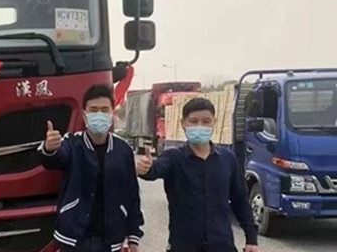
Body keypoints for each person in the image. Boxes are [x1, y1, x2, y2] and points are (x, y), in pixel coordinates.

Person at [137, 97, 261, 252]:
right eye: (193, 121)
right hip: (184, 247)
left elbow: (240, 201)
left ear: (214, 123)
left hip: (222, 245)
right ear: (183, 124)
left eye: (206, 121)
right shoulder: (174, 158)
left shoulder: (228, 159)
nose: (200, 126)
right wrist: (147, 169)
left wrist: (251, 239)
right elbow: (156, 169)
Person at [39, 84, 144, 252]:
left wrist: (133, 237)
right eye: (93, 110)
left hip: (111, 238)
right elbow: (53, 160)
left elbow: (132, 194)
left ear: (112, 113)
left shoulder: (123, 149)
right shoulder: (72, 143)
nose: (99, 115)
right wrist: (50, 148)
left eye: (104, 110)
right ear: (84, 115)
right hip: (73, 237)